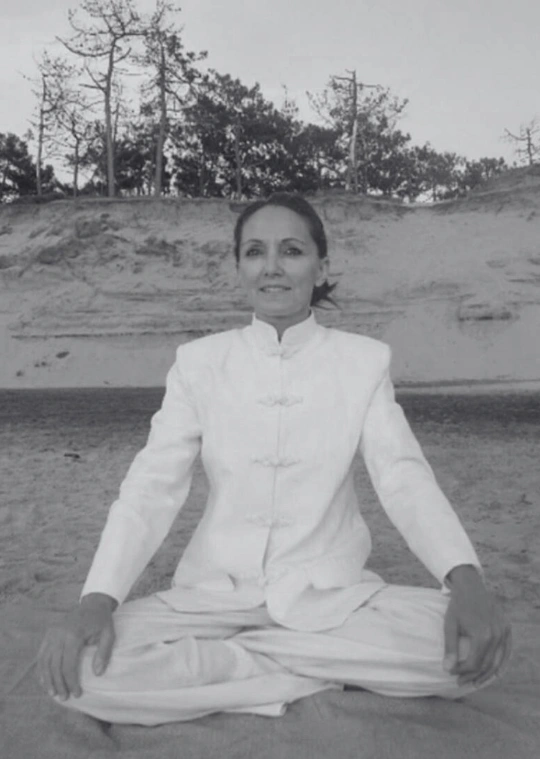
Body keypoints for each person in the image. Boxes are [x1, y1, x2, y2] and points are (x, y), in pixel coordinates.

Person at [37, 192, 512, 726]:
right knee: (81, 673)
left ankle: (238, 666)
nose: (272, 267)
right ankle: (297, 667)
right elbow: (151, 486)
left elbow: (402, 477)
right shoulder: (199, 363)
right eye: (254, 252)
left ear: (320, 267)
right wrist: (97, 599)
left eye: (291, 250)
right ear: (239, 268)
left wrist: (465, 581)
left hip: (329, 601)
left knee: (471, 654)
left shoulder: (362, 362)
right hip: (212, 599)